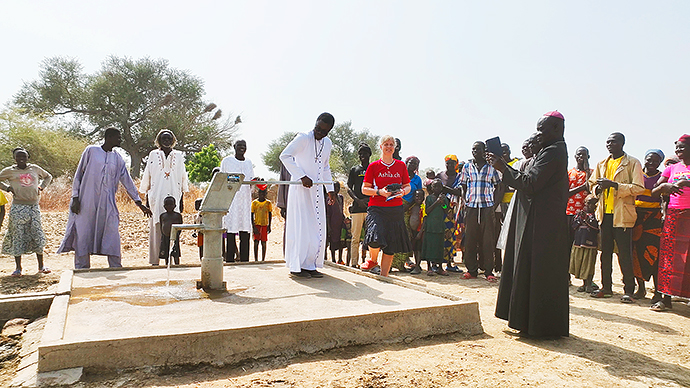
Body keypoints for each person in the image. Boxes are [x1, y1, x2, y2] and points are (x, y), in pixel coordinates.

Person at [489, 111, 570, 338]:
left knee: (539, 271)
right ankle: (526, 321)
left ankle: (539, 326)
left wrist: (503, 168)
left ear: (556, 129)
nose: (538, 134)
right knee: (527, 269)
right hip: (535, 218)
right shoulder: (548, 150)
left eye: (542, 130)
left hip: (543, 222)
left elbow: (531, 183)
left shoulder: (553, 152)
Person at [57, 128, 152, 268]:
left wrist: (138, 202)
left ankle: (115, 266)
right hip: (86, 201)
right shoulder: (91, 151)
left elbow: (127, 180)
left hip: (107, 203)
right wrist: (75, 197)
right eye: (118, 137)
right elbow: (78, 175)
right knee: (84, 232)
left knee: (112, 231)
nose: (120, 140)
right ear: (109, 137)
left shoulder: (118, 158)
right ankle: (82, 268)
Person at [279, 112, 337, 278]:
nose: (319, 133)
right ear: (316, 123)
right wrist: (301, 175)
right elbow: (285, 155)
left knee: (316, 229)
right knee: (301, 228)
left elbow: (325, 167)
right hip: (300, 190)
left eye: (324, 131)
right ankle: (297, 266)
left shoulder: (327, 143)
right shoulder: (303, 137)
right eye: (318, 129)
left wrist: (330, 189)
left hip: (317, 191)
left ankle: (310, 265)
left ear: (329, 131)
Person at [589, 132, 645, 303]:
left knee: (624, 254)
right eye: (607, 142)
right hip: (604, 215)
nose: (609, 144)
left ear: (622, 143)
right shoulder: (601, 164)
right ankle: (606, 288)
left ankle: (629, 290)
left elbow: (638, 188)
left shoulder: (632, 163)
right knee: (605, 253)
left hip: (622, 215)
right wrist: (597, 189)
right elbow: (592, 185)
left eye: (613, 141)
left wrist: (614, 185)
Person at [360, 135, 412, 277]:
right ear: (381, 146)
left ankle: (384, 276)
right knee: (375, 237)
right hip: (377, 207)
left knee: (390, 246)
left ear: (394, 148)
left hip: (395, 209)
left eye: (391, 144)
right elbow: (364, 189)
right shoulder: (373, 166)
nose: (389, 147)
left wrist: (403, 192)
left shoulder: (401, 166)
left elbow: (408, 186)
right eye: (386, 144)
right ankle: (372, 260)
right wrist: (379, 192)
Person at [650, 134, 690, 311]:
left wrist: (687, 182)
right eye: (677, 147)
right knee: (668, 257)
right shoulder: (671, 169)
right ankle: (665, 299)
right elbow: (653, 191)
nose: (678, 150)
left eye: (682, 147)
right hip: (673, 215)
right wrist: (663, 187)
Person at [139, 129, 190, 266]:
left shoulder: (178, 156)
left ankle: (173, 260)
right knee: (157, 225)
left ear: (173, 141)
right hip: (156, 194)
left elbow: (183, 176)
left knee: (173, 227)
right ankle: (155, 260)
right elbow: (148, 175)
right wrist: (147, 199)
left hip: (174, 194)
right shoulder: (153, 154)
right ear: (159, 141)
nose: (166, 142)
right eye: (163, 139)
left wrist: (182, 198)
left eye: (169, 139)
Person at [0, 148, 52, 276]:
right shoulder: (10, 171)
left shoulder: (34, 168)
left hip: (33, 206)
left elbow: (48, 176)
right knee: (18, 234)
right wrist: (7, 188)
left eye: (24, 156)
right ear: (15, 158)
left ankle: (41, 266)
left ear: (28, 157)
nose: (22, 159)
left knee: (36, 233)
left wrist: (42, 186)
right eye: (19, 156)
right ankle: (18, 268)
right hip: (18, 207)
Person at [459, 141, 502, 282]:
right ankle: (471, 270)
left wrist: (494, 204)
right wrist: (465, 200)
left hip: (487, 207)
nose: (475, 152)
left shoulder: (492, 167)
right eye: (473, 149)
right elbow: (463, 186)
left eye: (478, 149)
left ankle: (488, 271)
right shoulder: (467, 167)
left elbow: (499, 186)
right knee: (470, 239)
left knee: (487, 239)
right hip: (471, 207)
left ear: (484, 151)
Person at [631, 149, 665, 300]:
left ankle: (657, 291)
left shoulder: (662, 177)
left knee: (653, 253)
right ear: (644, 159)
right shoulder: (636, 174)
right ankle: (641, 288)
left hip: (653, 219)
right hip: (636, 217)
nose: (651, 163)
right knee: (636, 253)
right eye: (649, 160)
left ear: (660, 163)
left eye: (656, 161)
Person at [221, 140, 254, 262]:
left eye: (244, 146)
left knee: (245, 230)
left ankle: (245, 260)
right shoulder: (227, 161)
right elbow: (223, 178)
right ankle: (229, 259)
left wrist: (256, 181)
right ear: (234, 147)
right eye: (239, 146)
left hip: (245, 200)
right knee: (231, 229)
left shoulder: (249, 162)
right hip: (232, 200)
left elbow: (251, 180)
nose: (242, 148)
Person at [392, 156, 423, 271]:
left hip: (411, 208)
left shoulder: (417, 179)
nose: (413, 165)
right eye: (411, 163)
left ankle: (402, 264)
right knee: (397, 235)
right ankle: (395, 264)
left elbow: (418, 194)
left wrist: (408, 206)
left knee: (407, 236)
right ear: (406, 163)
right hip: (398, 206)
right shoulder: (399, 175)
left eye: (415, 164)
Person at [494, 143, 520, 273]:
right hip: (501, 202)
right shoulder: (496, 165)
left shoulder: (516, 162)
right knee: (502, 234)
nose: (504, 154)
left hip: (515, 201)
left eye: (506, 151)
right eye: (501, 152)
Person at [346, 143, 371, 267]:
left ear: (369, 154)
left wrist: (368, 200)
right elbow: (349, 188)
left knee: (371, 237)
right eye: (360, 154)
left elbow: (377, 187)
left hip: (371, 208)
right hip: (357, 208)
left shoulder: (373, 169)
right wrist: (358, 200)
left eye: (365, 153)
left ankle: (370, 262)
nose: (363, 156)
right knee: (355, 237)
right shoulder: (354, 170)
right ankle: (354, 263)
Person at [569, 195, 600, 293]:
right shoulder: (579, 214)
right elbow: (573, 225)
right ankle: (584, 283)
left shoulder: (596, 215)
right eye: (587, 202)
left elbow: (595, 226)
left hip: (590, 244)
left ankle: (589, 283)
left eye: (591, 203)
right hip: (579, 242)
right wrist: (581, 217)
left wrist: (586, 218)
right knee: (580, 263)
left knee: (588, 264)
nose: (588, 205)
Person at [438, 155, 463, 272]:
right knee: (439, 234)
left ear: (456, 164)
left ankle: (449, 263)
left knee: (451, 236)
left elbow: (459, 192)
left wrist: (444, 188)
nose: (450, 165)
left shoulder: (459, 177)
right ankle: (437, 263)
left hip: (453, 211)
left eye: (453, 163)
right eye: (448, 163)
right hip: (440, 208)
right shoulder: (440, 175)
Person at [421, 179, 449, 276]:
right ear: (432, 188)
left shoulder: (444, 198)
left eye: (439, 187)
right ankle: (429, 267)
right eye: (435, 186)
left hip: (439, 226)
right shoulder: (429, 198)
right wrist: (436, 202)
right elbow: (427, 211)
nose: (437, 188)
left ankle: (440, 268)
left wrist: (442, 203)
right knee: (430, 246)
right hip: (430, 226)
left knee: (439, 247)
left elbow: (446, 210)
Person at [566, 147, 592, 246]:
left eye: (584, 155)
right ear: (575, 156)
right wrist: (582, 187)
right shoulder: (569, 173)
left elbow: (590, 188)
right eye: (579, 154)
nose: (581, 157)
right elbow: (566, 193)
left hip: (584, 214)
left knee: (581, 242)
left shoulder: (592, 173)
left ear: (588, 157)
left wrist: (587, 170)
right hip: (570, 212)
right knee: (569, 240)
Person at [159, 196, 183, 266]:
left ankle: (177, 265)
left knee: (176, 253)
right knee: (166, 253)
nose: (169, 206)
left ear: (175, 205)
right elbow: (161, 226)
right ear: (164, 206)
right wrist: (163, 233)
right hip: (165, 236)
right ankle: (167, 265)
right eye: (167, 205)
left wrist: (176, 234)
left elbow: (180, 226)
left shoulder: (177, 215)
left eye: (171, 204)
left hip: (175, 236)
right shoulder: (162, 215)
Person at [325, 182, 345, 264]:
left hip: (340, 222)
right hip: (332, 223)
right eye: (335, 187)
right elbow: (328, 213)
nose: (337, 189)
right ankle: (332, 259)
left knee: (341, 241)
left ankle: (340, 259)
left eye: (338, 187)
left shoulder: (341, 197)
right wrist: (329, 226)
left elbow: (341, 210)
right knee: (332, 241)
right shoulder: (329, 199)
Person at [251, 184, 272, 261]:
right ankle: (256, 259)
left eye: (263, 194)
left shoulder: (268, 203)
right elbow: (251, 215)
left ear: (266, 194)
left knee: (263, 242)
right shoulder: (254, 203)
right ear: (258, 193)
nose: (261, 195)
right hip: (257, 224)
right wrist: (253, 226)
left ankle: (263, 259)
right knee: (256, 242)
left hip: (264, 225)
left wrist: (269, 225)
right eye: (260, 193)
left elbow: (270, 214)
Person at [408, 189, 426, 275]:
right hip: (413, 231)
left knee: (419, 249)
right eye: (416, 196)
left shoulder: (423, 207)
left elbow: (425, 221)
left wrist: (420, 232)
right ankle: (417, 265)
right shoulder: (412, 207)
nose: (418, 198)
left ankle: (418, 266)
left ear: (423, 198)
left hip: (420, 232)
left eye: (420, 197)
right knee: (415, 249)